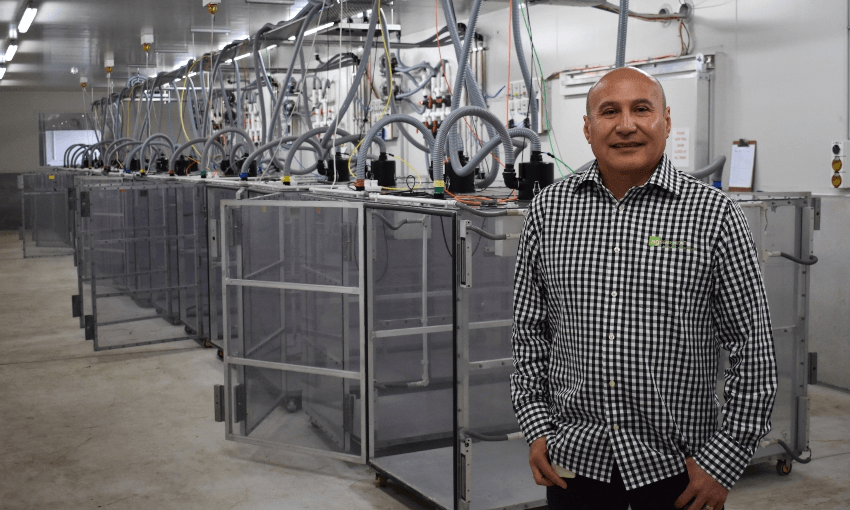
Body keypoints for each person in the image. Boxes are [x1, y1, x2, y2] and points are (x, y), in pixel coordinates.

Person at [510, 66, 777, 510]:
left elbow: (753, 349)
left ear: (666, 122)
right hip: (575, 463)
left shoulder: (714, 216)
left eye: (642, 109)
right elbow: (529, 332)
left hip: (679, 470)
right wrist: (536, 425)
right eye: (609, 111)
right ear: (588, 128)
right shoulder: (548, 212)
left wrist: (725, 458)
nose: (626, 125)